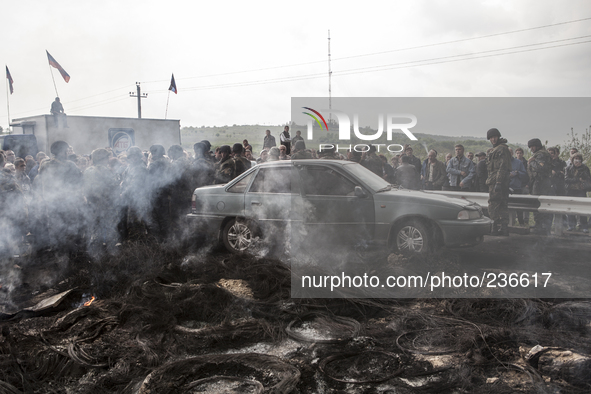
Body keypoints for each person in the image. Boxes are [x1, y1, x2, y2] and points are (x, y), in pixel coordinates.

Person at [485, 128, 512, 236]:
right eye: (491, 138)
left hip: (497, 181)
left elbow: (503, 166)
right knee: (502, 204)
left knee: (493, 204)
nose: (493, 139)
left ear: (498, 137)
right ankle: (504, 228)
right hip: (498, 181)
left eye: (495, 137)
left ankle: (494, 228)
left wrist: (498, 182)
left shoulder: (501, 149)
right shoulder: (497, 149)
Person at [527, 138, 553, 234]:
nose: (531, 149)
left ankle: (541, 224)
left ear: (537, 146)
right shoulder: (540, 153)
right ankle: (540, 224)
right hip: (539, 181)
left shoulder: (541, 154)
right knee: (537, 203)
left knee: (538, 203)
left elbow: (540, 167)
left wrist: (531, 162)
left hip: (541, 182)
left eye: (532, 146)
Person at [564, 153, 590, 233]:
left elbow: (588, 178)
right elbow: (566, 179)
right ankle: (571, 225)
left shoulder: (585, 168)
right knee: (570, 209)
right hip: (570, 190)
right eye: (575, 158)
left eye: (578, 158)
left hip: (581, 190)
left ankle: (584, 226)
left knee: (582, 209)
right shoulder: (568, 168)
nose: (577, 160)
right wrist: (578, 179)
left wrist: (580, 169)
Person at [508, 148, 528, 226]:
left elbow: (524, 174)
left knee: (519, 208)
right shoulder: (503, 162)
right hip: (506, 188)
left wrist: (517, 173)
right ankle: (508, 223)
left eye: (510, 152)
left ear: (512, 153)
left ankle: (521, 223)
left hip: (516, 188)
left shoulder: (518, 162)